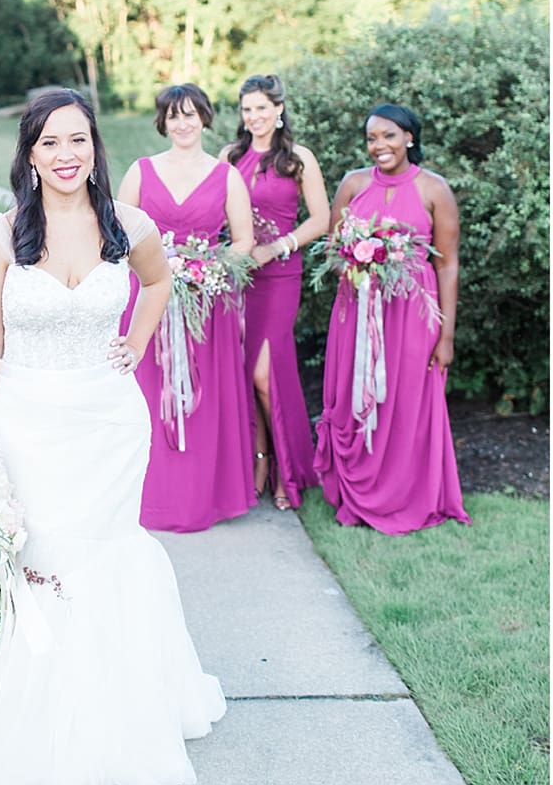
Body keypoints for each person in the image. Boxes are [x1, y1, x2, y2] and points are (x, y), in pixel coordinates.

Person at [0, 89, 224, 785]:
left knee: (106, 553)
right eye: (50, 143)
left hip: (109, 421)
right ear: (30, 153)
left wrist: (136, 346)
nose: (66, 155)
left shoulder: (128, 225)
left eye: (77, 140)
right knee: (40, 554)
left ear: (94, 147)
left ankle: (120, 709)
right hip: (28, 420)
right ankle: (28, 713)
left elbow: (159, 280)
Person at [314, 104, 469, 533]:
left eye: (389, 136)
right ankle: (356, 494)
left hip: (413, 314)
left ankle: (405, 497)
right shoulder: (353, 184)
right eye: (372, 138)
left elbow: (448, 265)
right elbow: (331, 249)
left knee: (406, 403)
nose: (379, 145)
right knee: (353, 396)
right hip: (356, 312)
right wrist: (354, 260)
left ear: (409, 138)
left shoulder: (435, 190)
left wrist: (446, 334)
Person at [117, 85, 257, 533]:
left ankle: (201, 498)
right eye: (174, 115)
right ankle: (147, 498)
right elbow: (117, 235)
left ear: (205, 119)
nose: (182, 123)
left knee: (203, 401)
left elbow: (243, 241)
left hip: (205, 308)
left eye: (191, 114)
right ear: (162, 121)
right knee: (145, 399)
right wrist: (157, 270)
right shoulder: (141, 172)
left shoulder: (226, 175)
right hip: (149, 303)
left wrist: (206, 270)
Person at [224, 74, 330, 510]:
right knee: (244, 373)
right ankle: (260, 460)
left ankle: (289, 471)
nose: (254, 118)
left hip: (281, 275)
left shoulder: (298, 158)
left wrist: (277, 247)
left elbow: (320, 219)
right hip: (239, 278)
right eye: (247, 110)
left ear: (278, 110)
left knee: (266, 374)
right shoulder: (230, 157)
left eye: (262, 109)